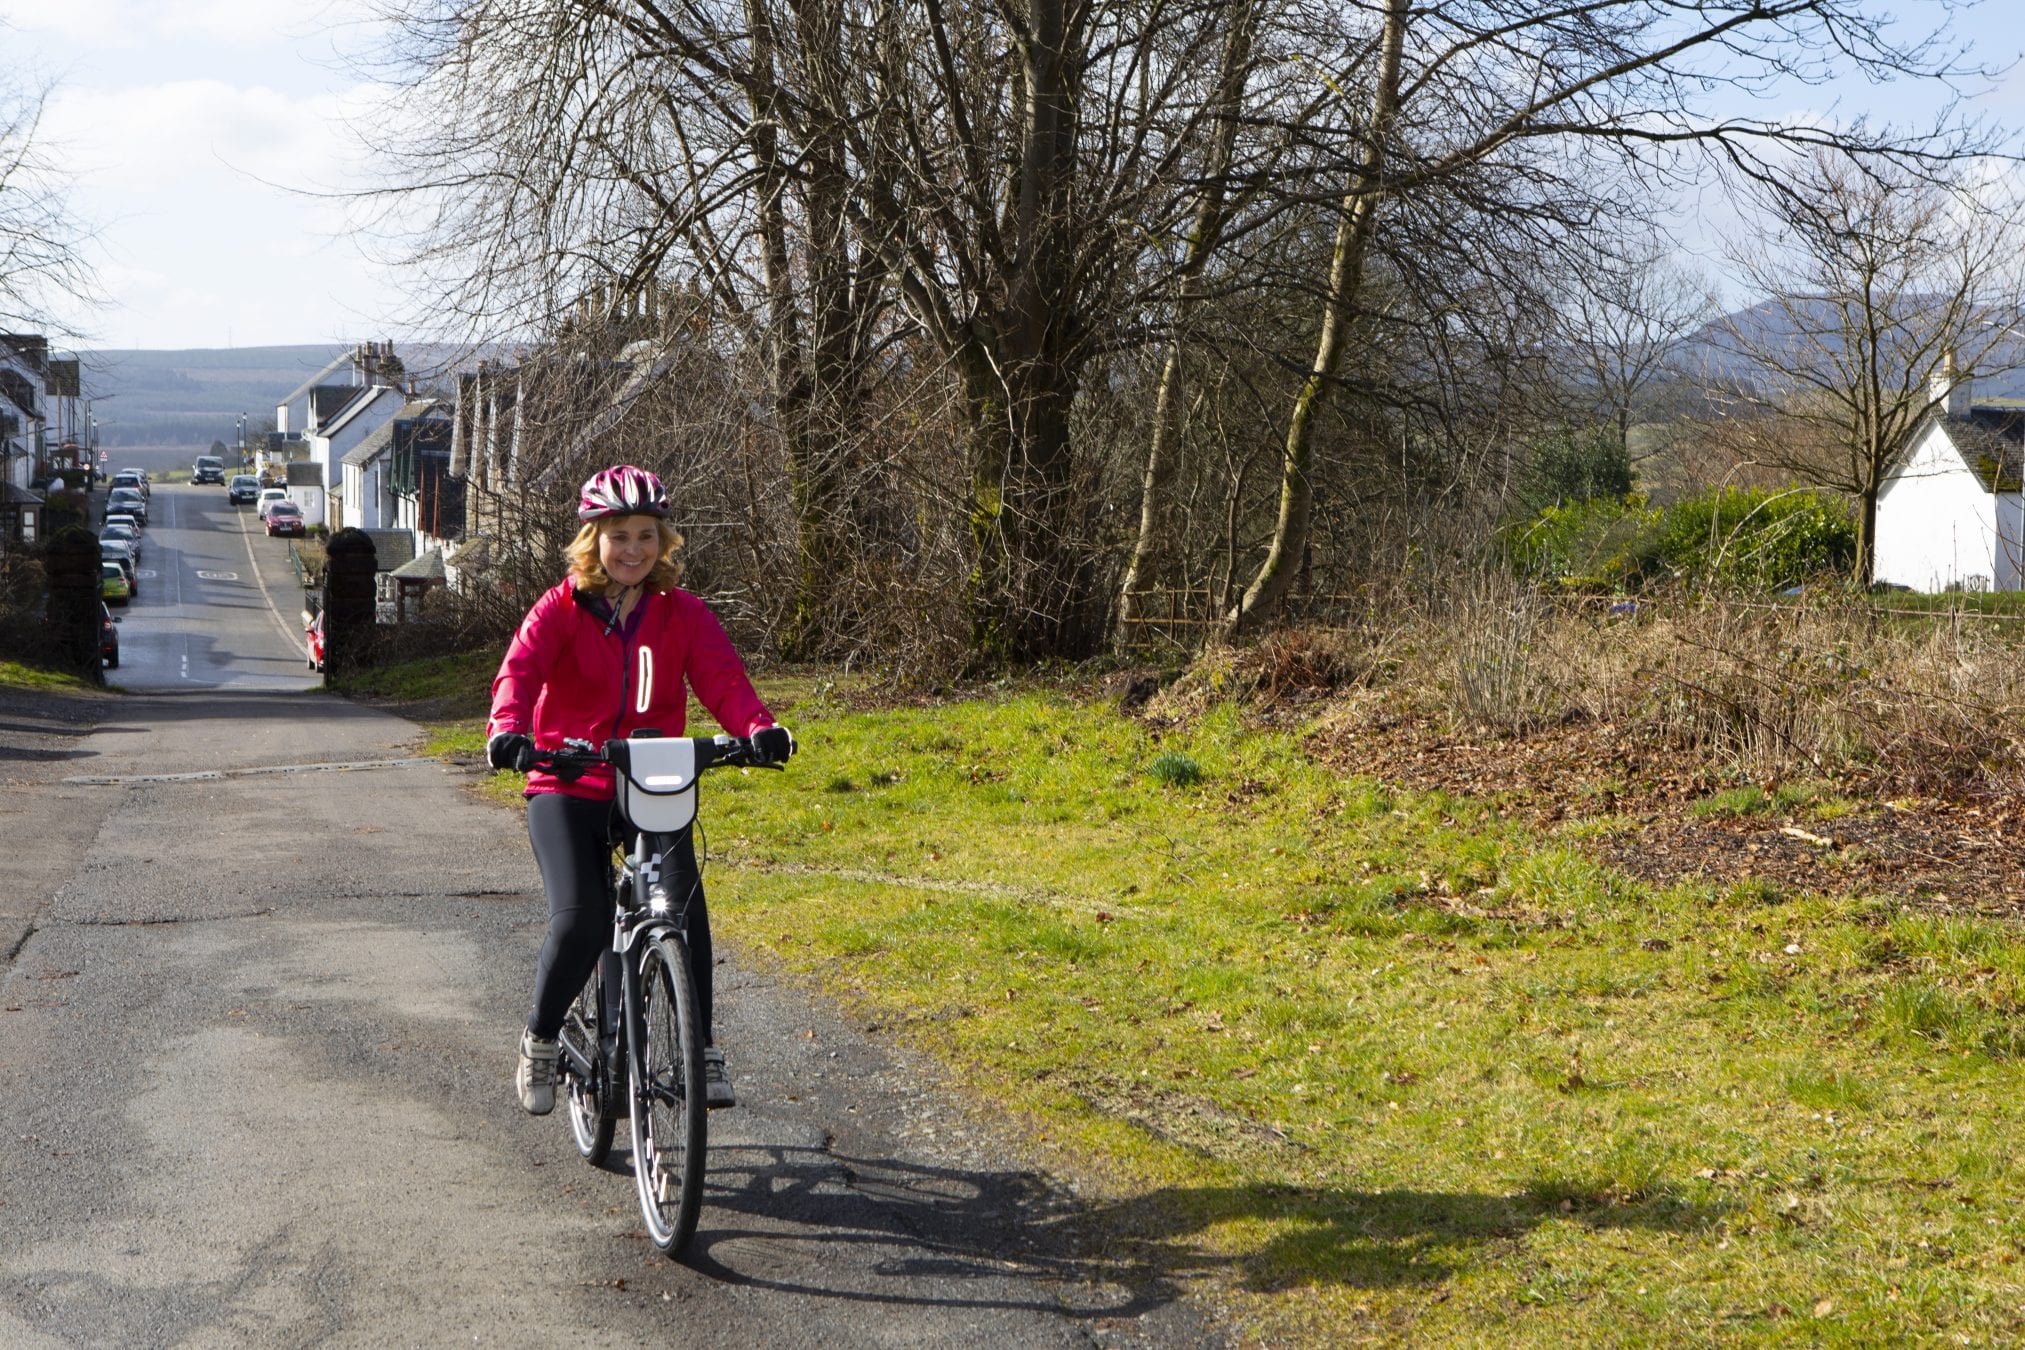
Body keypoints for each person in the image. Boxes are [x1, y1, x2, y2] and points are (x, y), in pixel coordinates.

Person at [484, 464, 792, 1116]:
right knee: (582, 919)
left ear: (663, 541)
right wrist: (508, 732)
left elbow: (724, 682)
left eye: (646, 535)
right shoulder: (559, 609)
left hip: (650, 780)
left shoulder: (682, 613)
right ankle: (540, 1038)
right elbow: (519, 674)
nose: (633, 549)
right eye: (619, 535)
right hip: (567, 781)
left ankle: (700, 1048)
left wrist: (758, 729)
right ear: (592, 540)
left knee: (683, 906)